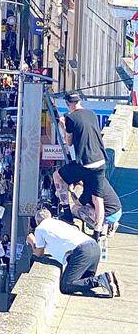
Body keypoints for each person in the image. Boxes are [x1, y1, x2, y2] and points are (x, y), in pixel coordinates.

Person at [26, 208, 120, 297]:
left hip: (82, 252)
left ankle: (101, 280)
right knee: (83, 282)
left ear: (38, 221)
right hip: (94, 247)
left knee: (66, 285)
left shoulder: (40, 228)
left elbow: (39, 253)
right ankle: (111, 280)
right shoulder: (59, 223)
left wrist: (32, 241)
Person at [54, 91, 107, 241]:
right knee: (98, 199)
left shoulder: (70, 118)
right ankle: (97, 232)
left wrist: (63, 126)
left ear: (67, 103)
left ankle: (67, 213)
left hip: (85, 162)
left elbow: (69, 142)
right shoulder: (91, 113)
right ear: (79, 101)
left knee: (57, 176)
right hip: (101, 161)